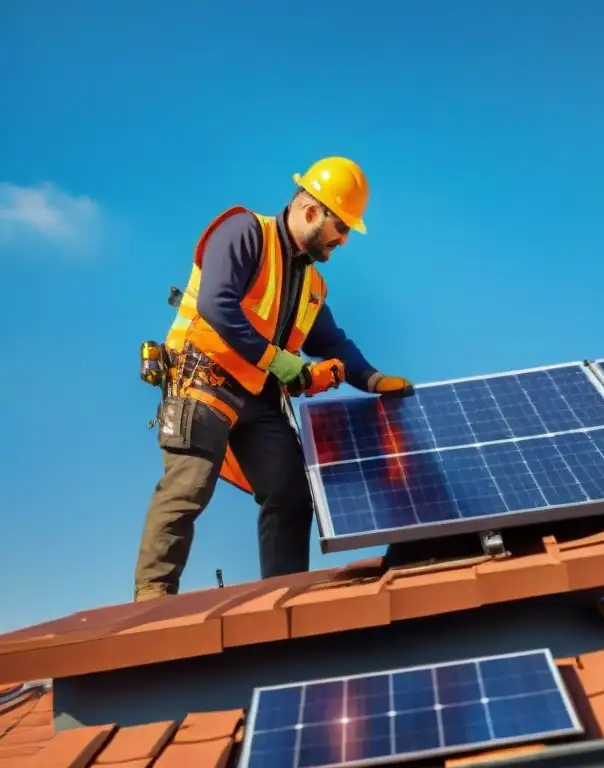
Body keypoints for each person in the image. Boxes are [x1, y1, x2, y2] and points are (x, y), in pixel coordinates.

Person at [133, 156, 415, 602]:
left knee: (291, 492)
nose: (343, 240)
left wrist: (374, 379)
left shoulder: (312, 283)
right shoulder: (245, 232)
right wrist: (284, 364)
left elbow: (334, 344)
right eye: (341, 228)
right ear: (311, 211)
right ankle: (153, 597)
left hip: (259, 400)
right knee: (188, 485)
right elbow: (217, 305)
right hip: (203, 381)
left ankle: (283, 597)